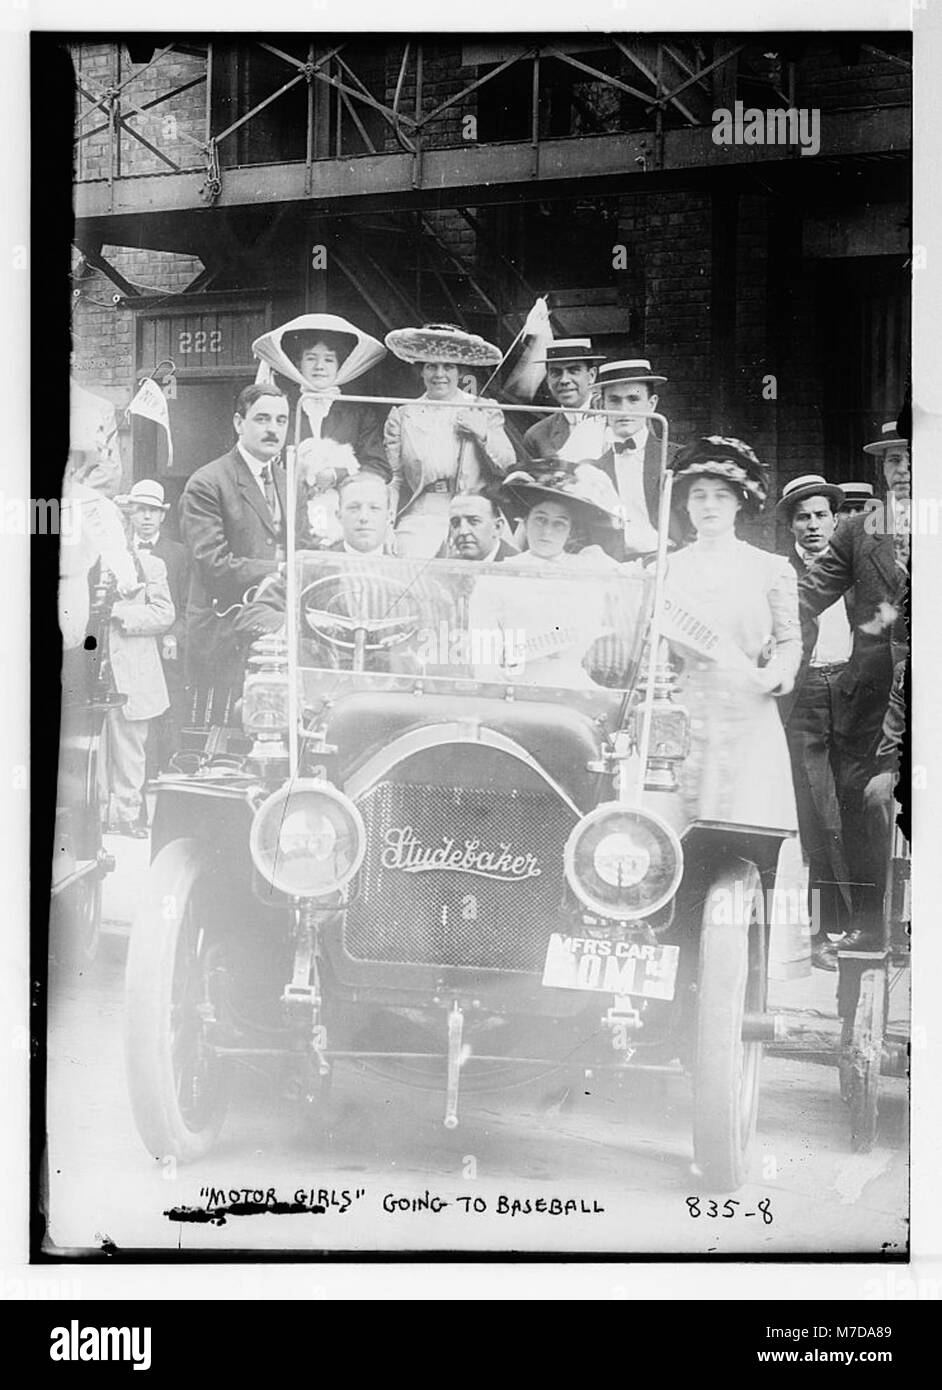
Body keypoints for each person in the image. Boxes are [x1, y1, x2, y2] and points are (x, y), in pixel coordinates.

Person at [796, 420, 909, 950]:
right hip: (869, 698)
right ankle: (869, 925)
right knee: (865, 807)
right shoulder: (859, 531)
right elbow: (806, 596)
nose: (902, 469)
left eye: (911, 456)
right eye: (891, 460)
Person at [663, 437, 801, 829]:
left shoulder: (770, 568)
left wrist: (778, 672)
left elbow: (789, 639)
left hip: (749, 712)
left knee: (748, 827)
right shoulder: (666, 569)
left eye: (721, 496)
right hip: (688, 712)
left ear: (740, 501)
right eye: (699, 496)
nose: (709, 506)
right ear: (685, 504)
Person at [469, 462, 638, 688]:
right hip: (519, 684)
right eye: (540, 519)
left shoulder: (588, 568)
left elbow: (636, 581)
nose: (547, 532)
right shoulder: (499, 575)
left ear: (570, 532)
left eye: (559, 524)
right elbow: (483, 650)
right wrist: (490, 676)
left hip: (573, 683)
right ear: (525, 521)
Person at [776, 474, 853, 970]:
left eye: (821, 515)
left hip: (854, 696)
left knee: (859, 812)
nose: (812, 526)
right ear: (791, 529)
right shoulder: (781, 576)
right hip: (805, 699)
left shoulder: (860, 572)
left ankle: (875, 924)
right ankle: (824, 933)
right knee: (820, 817)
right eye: (802, 518)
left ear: (836, 520)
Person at [179, 384, 290, 718]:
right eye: (263, 419)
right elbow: (212, 563)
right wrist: (278, 569)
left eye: (282, 420)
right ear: (239, 423)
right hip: (222, 636)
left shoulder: (287, 480)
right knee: (218, 748)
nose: (273, 429)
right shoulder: (207, 483)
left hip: (274, 640)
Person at [251, 313, 388, 547]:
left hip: (345, 512)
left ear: (339, 365)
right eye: (311, 358)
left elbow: (379, 467)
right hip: (292, 509)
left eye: (328, 360)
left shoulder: (359, 413)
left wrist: (335, 475)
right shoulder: (284, 410)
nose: (319, 366)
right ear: (298, 365)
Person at [383, 323, 516, 558]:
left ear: (460, 371)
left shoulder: (481, 408)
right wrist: (386, 525)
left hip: (475, 512)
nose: (440, 374)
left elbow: (508, 466)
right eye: (431, 366)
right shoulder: (403, 416)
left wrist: (482, 432)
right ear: (421, 371)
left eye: (449, 366)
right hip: (422, 516)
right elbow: (395, 479)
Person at [97, 528, 175, 836]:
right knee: (95, 746)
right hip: (94, 669)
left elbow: (164, 613)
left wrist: (119, 613)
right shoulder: (87, 566)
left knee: (131, 746)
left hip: (132, 670)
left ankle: (128, 814)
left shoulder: (150, 566)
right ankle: (98, 814)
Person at [118, 479, 190, 777]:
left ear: (163, 515)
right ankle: (136, 782)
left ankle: (163, 779)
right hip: (130, 651)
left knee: (165, 716)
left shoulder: (179, 554)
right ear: (130, 514)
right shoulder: (118, 554)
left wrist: (174, 635)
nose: (146, 517)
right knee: (131, 722)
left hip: (165, 650)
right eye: (140, 510)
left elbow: (189, 606)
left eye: (153, 511)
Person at [589, 359, 681, 556]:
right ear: (601, 405)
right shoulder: (596, 470)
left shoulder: (676, 459)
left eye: (633, 399)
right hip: (617, 568)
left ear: (651, 404)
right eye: (614, 400)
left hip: (668, 562)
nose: (624, 410)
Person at [521, 339, 605, 460]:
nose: (564, 380)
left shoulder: (613, 419)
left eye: (573, 371)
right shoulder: (536, 436)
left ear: (591, 375)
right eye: (556, 373)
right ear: (547, 379)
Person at [445, 488, 519, 562]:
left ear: (497, 527)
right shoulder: (448, 565)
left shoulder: (519, 564)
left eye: (474, 521)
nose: (463, 531)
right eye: (455, 523)